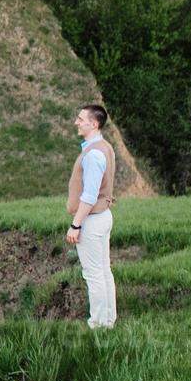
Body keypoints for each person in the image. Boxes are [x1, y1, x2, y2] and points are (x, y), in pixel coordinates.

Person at [66, 105, 116, 329]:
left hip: (92, 220)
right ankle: (108, 321)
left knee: (93, 275)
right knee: (103, 271)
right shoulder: (104, 148)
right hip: (103, 215)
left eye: (81, 119)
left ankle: (97, 324)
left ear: (94, 124)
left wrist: (75, 224)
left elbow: (89, 195)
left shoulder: (94, 154)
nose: (77, 122)